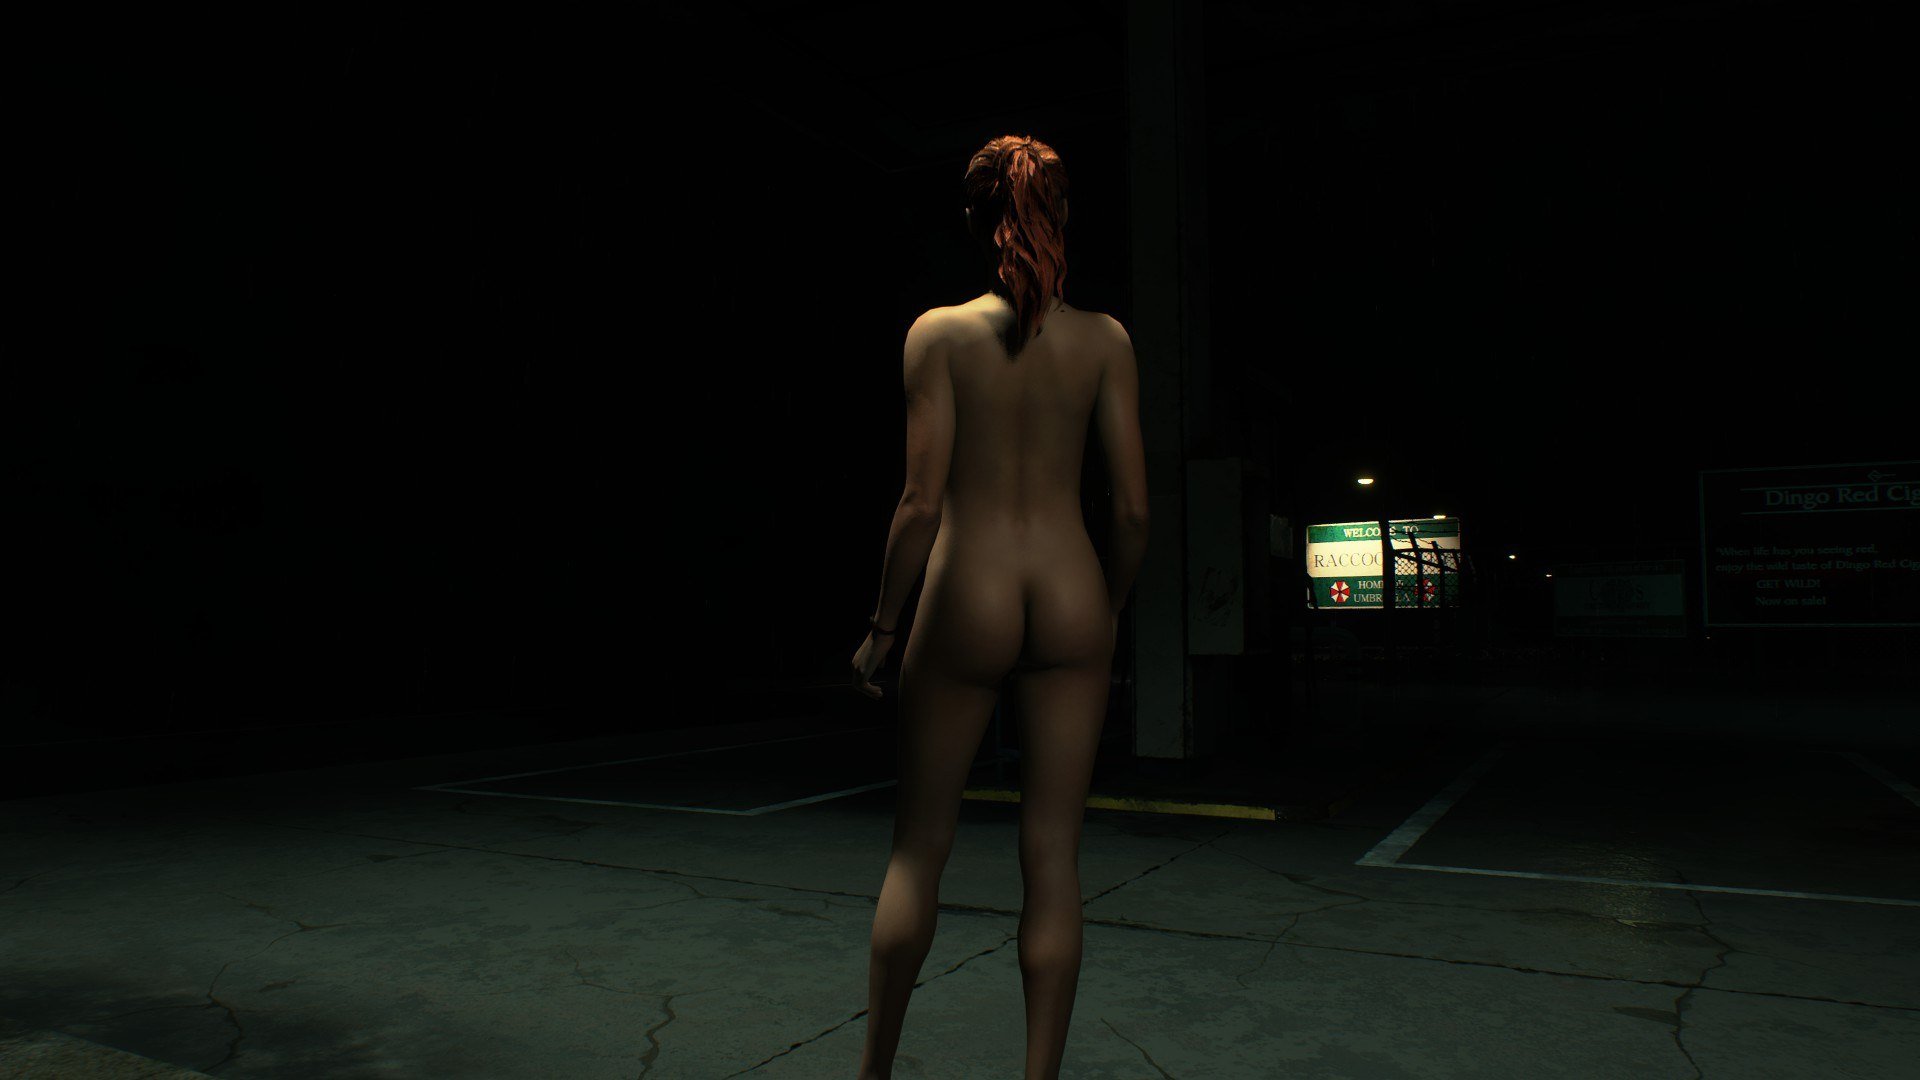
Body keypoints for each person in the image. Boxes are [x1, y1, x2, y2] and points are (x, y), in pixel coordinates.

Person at [849, 134, 1151, 1080]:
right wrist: (1110, 611)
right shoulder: (1106, 341)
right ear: (1061, 217)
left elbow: (919, 505)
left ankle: (873, 1073)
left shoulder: (936, 334)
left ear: (977, 223)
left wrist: (883, 628)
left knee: (919, 851)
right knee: (1053, 856)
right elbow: (1132, 510)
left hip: (968, 587)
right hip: (1069, 589)